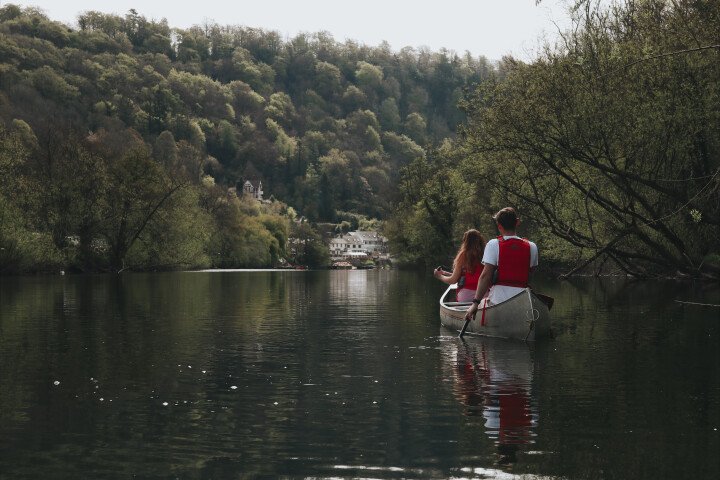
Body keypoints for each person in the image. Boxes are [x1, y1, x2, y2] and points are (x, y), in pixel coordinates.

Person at [464, 207, 538, 321]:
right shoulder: (532, 246)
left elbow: (485, 276)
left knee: (484, 302)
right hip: (524, 300)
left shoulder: (493, 244)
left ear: (499, 226)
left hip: (498, 300)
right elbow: (530, 275)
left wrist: (475, 303)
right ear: (517, 222)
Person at [434, 229, 486, 303]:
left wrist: (439, 276)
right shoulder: (486, 254)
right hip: (484, 295)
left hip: (466, 297)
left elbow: (453, 280)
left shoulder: (463, 256)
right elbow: (472, 276)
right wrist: (445, 273)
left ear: (465, 242)